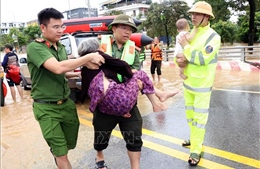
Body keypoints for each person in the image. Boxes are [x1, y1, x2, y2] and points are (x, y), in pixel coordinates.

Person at [26, 8, 104, 169]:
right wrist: (87, 57)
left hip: (66, 105)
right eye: (56, 27)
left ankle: (58, 154)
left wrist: (80, 76)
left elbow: (62, 74)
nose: (60, 30)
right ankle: (59, 155)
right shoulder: (35, 48)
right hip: (46, 108)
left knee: (69, 144)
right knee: (61, 152)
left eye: (62, 26)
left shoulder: (60, 47)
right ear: (43, 28)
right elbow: (58, 68)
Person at [91, 14, 144, 169]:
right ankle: (99, 154)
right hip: (105, 101)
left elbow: (135, 71)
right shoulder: (99, 45)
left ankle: (135, 167)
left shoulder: (135, 50)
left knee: (134, 135)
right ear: (114, 28)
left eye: (130, 30)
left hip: (127, 100)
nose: (127, 32)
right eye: (123, 28)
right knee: (101, 135)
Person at [78, 38, 179, 118]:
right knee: (140, 74)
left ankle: (160, 95)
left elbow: (86, 93)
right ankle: (157, 101)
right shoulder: (98, 56)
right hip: (120, 101)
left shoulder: (85, 69)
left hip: (108, 107)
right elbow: (122, 66)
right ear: (96, 48)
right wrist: (131, 74)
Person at [175, 1, 221, 166]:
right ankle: (194, 139)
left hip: (202, 87)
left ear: (206, 17)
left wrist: (186, 47)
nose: (193, 16)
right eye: (192, 14)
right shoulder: (189, 34)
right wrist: (179, 60)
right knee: (190, 117)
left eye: (197, 14)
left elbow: (201, 59)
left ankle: (196, 149)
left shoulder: (213, 37)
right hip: (187, 84)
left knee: (199, 120)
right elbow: (179, 56)